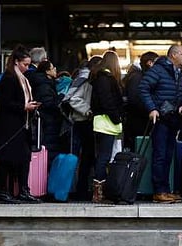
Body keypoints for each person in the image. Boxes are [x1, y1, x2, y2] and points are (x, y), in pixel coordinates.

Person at [139, 45, 182, 204]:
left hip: (173, 119)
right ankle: (159, 191)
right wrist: (152, 108)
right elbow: (143, 88)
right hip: (161, 119)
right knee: (160, 155)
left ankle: (166, 190)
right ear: (174, 55)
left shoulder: (179, 73)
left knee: (168, 155)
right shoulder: (158, 70)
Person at [0, 44, 42, 204]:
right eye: (25, 64)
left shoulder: (22, 79)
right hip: (10, 127)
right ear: (15, 62)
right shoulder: (9, 79)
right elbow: (3, 103)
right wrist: (24, 106)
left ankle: (23, 190)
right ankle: (3, 191)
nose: (27, 68)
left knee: (24, 158)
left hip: (21, 126)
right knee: (7, 159)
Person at [64, 56, 102, 200]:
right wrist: (88, 111)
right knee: (86, 156)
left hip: (83, 121)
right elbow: (73, 98)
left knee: (85, 157)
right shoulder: (87, 79)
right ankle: (80, 189)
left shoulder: (83, 78)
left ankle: (81, 189)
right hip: (84, 121)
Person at [90, 50, 125, 203]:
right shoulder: (105, 78)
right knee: (104, 157)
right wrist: (117, 118)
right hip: (107, 123)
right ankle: (99, 192)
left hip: (103, 121)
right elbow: (108, 101)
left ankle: (101, 191)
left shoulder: (100, 77)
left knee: (104, 156)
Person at [122, 51, 158, 151]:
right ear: (150, 63)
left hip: (138, 120)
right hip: (138, 122)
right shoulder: (137, 77)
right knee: (138, 150)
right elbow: (135, 99)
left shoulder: (139, 76)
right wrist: (151, 109)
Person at [31, 60, 65, 167]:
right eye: (52, 68)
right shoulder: (44, 85)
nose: (55, 70)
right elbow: (48, 104)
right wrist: (61, 98)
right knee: (49, 151)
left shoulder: (46, 83)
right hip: (48, 123)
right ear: (47, 71)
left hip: (48, 122)